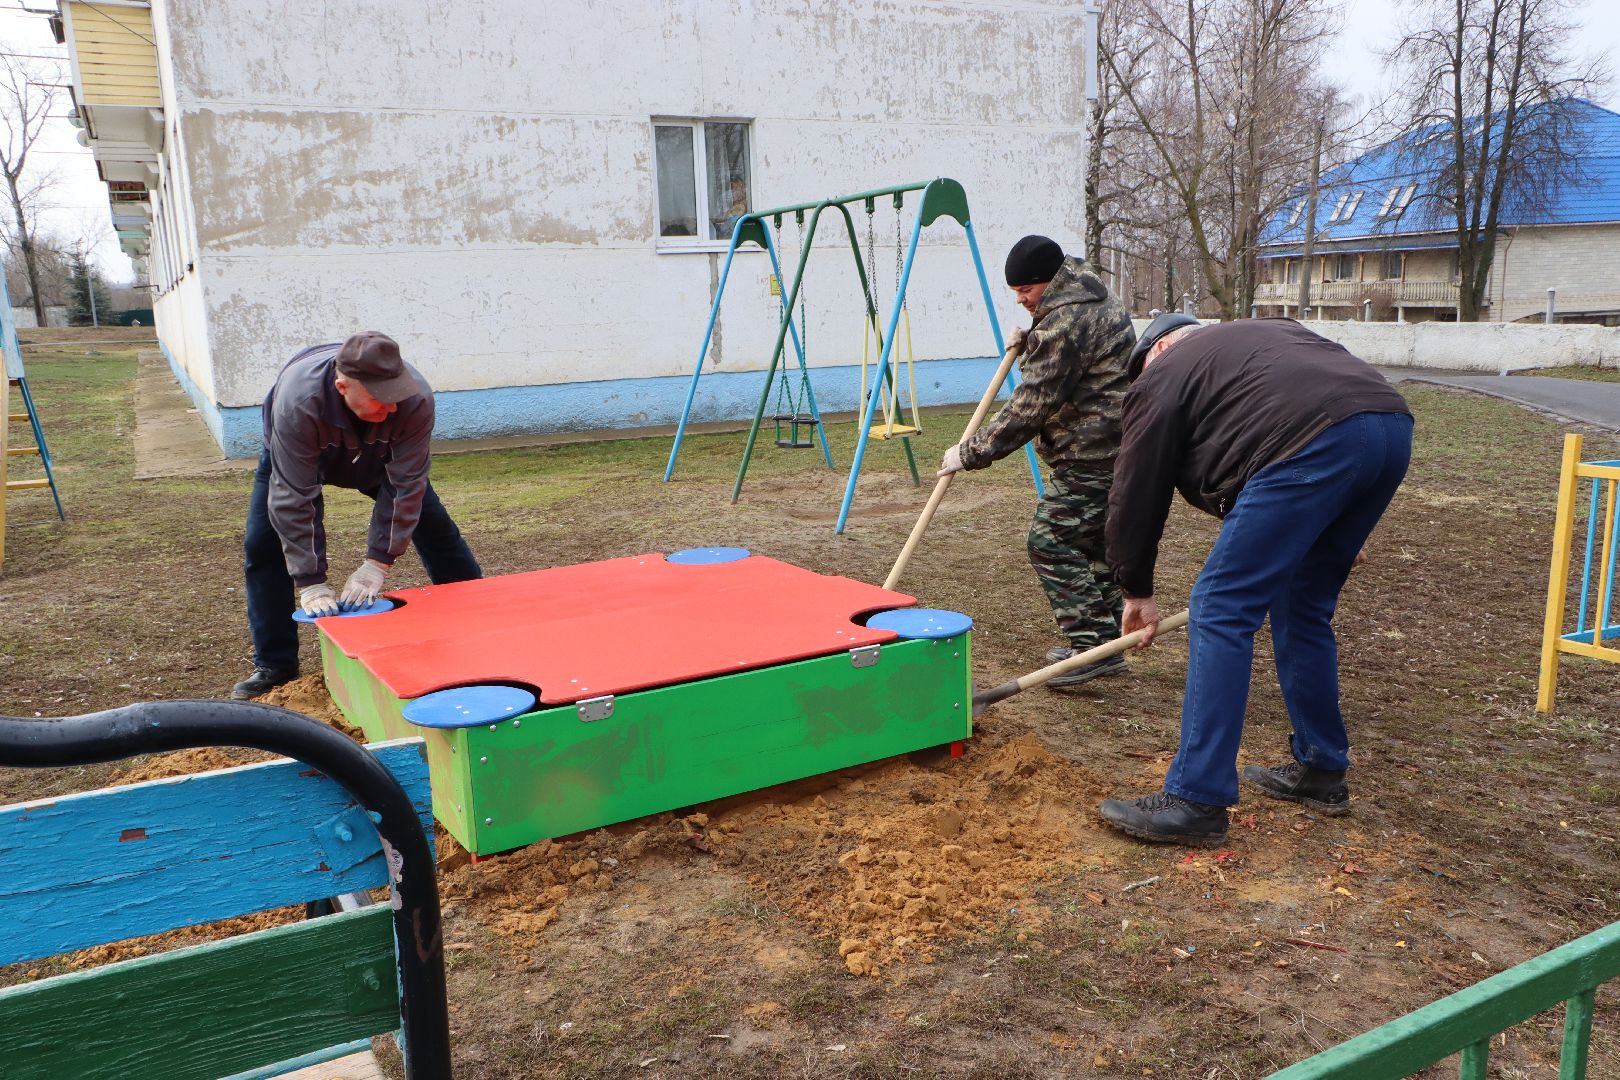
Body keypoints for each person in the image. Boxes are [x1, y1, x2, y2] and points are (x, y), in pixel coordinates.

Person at [1097, 315, 1413, 845]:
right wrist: (1335, 521)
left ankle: (1195, 797)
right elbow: (1292, 421)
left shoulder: (1163, 372)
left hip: (1313, 441)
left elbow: (1135, 490)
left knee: (1220, 608)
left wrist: (1136, 590)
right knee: (1302, 607)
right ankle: (1321, 768)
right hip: (1388, 425)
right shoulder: (1261, 338)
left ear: (1159, 348)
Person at [232, 331, 482, 699]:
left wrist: (377, 563)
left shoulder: (414, 400)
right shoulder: (299, 403)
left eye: (396, 394)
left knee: (437, 531)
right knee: (263, 546)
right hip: (297, 452)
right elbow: (295, 498)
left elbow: (405, 485)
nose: (392, 406)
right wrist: (311, 580)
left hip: (381, 458)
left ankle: (478, 627)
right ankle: (275, 665)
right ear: (342, 386)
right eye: (381, 397)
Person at [937, 235, 1137, 685]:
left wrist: (969, 453)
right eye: (1016, 292)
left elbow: (1031, 407)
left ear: (1049, 280)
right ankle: (1104, 644)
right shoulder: (1091, 295)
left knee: (1050, 540)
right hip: (1119, 446)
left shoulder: (1064, 322)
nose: (1021, 299)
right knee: (1092, 547)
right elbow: (1080, 356)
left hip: (1093, 452)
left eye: (1025, 290)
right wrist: (1032, 342)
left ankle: (1093, 646)